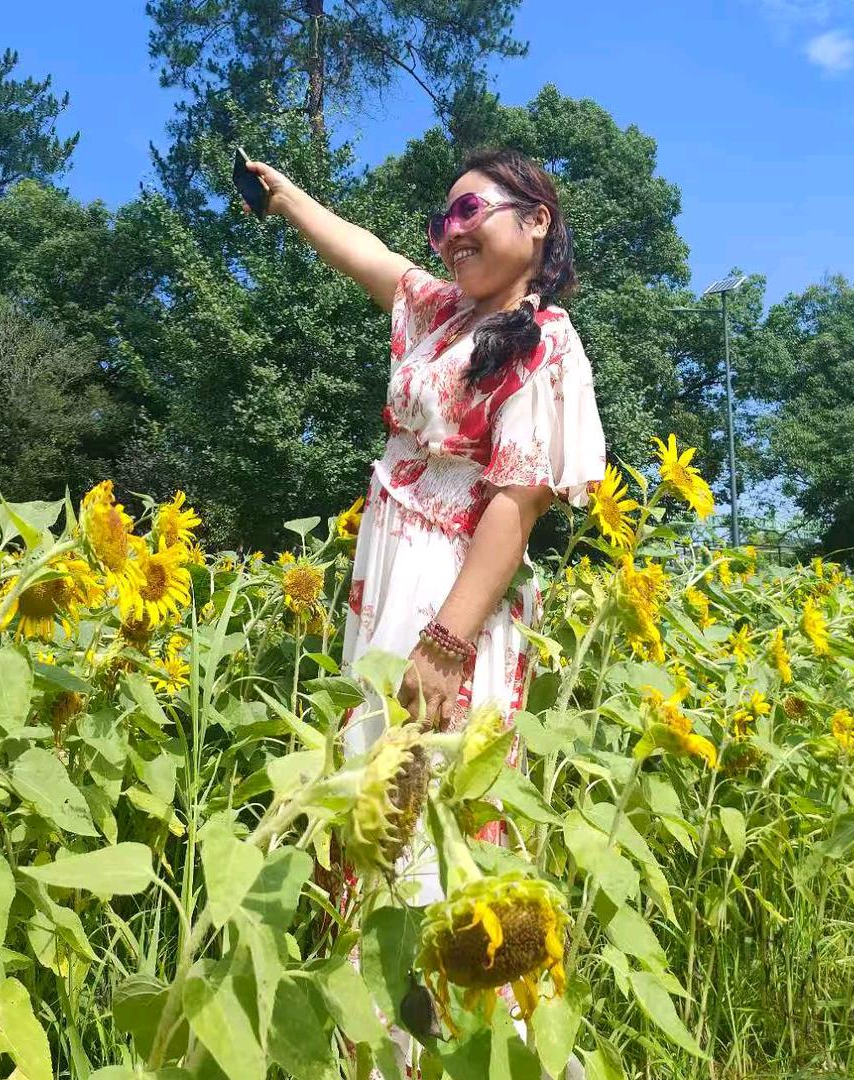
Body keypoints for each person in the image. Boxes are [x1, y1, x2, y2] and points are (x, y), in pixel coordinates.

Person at [241, 147, 603, 1079]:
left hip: (450, 590)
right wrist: (285, 198)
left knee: (433, 809)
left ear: (537, 223)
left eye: (471, 210)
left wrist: (446, 640)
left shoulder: (548, 343)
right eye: (441, 220)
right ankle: (374, 1049)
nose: (452, 232)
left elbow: (514, 508)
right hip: (388, 578)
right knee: (365, 806)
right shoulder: (440, 312)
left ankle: (479, 1052)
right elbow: (360, 250)